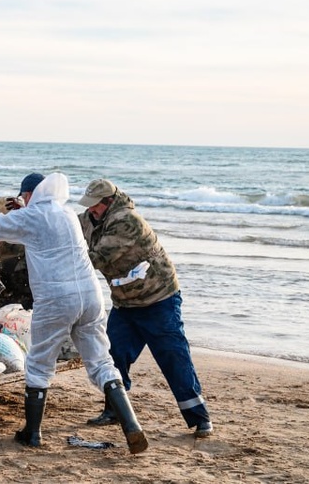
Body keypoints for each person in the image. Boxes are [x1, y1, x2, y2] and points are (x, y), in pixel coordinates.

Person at [0, 172, 148, 454]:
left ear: (29, 195)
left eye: (23, 197)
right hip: (90, 297)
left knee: (39, 364)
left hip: (57, 299)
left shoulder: (33, 216)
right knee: (101, 361)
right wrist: (22, 211)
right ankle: (132, 427)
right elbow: (35, 229)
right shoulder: (66, 214)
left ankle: (32, 434)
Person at [77, 178, 213, 438]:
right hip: (126, 303)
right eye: (89, 206)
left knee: (173, 357)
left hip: (158, 300)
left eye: (95, 206)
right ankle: (115, 410)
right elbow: (68, 227)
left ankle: (200, 418)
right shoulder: (91, 218)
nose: (90, 210)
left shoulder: (127, 221)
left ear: (108, 202)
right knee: (114, 356)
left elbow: (95, 259)